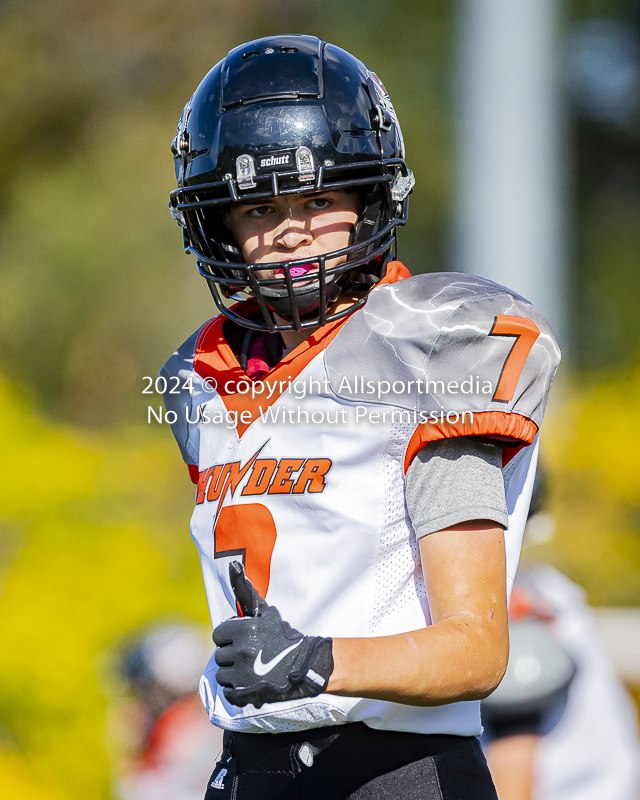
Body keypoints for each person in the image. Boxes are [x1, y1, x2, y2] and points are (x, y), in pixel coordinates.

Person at [160, 34, 561, 799]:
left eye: (318, 199)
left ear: (370, 197)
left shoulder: (429, 353)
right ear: (218, 225)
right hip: (246, 769)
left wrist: (317, 660)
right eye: (259, 206)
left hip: (391, 772)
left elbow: (476, 650)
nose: (289, 229)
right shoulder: (201, 378)